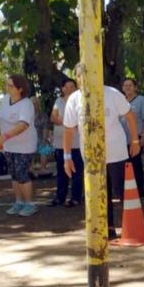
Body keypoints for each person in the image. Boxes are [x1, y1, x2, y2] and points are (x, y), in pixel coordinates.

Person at [63, 70, 139, 239]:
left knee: (122, 191)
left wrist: (135, 140)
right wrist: (66, 157)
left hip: (117, 152)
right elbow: (68, 130)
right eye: (79, 76)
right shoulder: (74, 99)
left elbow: (130, 116)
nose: (84, 78)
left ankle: (131, 228)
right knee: (100, 193)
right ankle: (108, 229)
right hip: (91, 156)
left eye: (86, 73)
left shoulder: (112, 94)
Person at [0, 74, 39, 217]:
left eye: (11, 86)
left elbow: (23, 125)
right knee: (13, 174)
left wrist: (4, 137)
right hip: (9, 145)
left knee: (22, 173)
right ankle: (18, 202)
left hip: (25, 145)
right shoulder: (5, 100)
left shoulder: (26, 104)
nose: (7, 88)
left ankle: (29, 204)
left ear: (20, 89)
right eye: (7, 85)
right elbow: (1, 120)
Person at [49, 78, 84, 207]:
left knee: (77, 172)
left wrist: (65, 121)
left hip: (76, 143)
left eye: (71, 86)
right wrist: (67, 122)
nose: (69, 89)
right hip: (60, 144)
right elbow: (53, 117)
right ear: (62, 88)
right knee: (61, 172)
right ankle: (60, 197)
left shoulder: (79, 100)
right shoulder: (58, 101)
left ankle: (76, 197)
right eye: (66, 86)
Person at [121, 78, 144, 197]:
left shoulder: (141, 100)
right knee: (125, 165)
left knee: (136, 164)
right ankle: (127, 189)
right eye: (125, 85)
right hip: (122, 140)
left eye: (130, 85)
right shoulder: (120, 101)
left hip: (136, 137)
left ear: (135, 87)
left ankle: (139, 189)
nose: (128, 88)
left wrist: (143, 136)